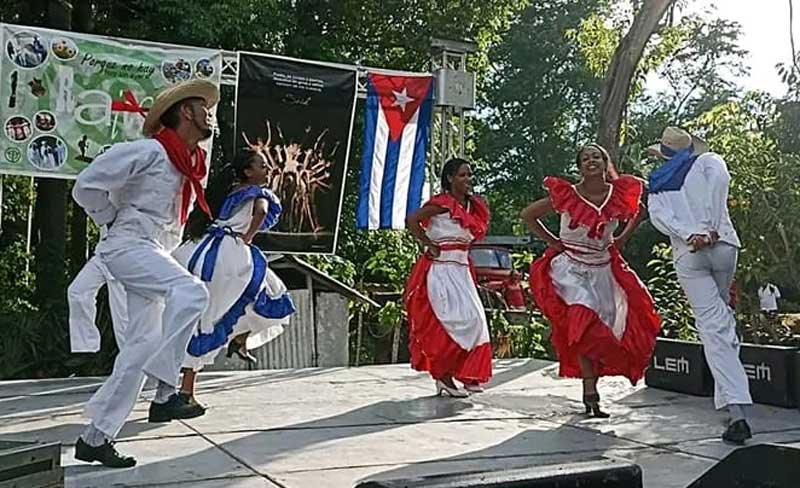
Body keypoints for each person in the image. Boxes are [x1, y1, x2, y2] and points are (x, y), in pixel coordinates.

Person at [71, 79, 219, 467]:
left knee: (137, 350)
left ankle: (95, 437)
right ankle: (166, 392)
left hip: (155, 252)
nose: (210, 114)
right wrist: (112, 220)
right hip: (129, 246)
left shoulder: (187, 163)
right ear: (186, 112)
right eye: (203, 107)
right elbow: (86, 186)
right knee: (193, 293)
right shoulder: (148, 151)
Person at [522, 143, 660, 417]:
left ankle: (593, 389)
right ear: (579, 166)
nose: (591, 161)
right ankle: (589, 392)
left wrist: (621, 238)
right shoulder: (567, 194)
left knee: (607, 327)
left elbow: (639, 213)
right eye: (585, 158)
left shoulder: (618, 194)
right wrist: (554, 243)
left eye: (596, 156)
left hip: (603, 268)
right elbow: (529, 215)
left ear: (605, 161)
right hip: (571, 268)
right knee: (584, 321)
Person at [647, 126, 753, 445]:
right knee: (722, 323)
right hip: (722, 245)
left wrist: (692, 232)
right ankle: (735, 409)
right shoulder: (709, 161)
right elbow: (721, 184)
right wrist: (708, 228)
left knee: (714, 326)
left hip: (690, 253)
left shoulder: (658, 183)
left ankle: (737, 412)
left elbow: (659, 218)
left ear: (663, 153)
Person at [168, 147, 296, 408]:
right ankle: (237, 341)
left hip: (199, 252)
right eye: (262, 165)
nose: (267, 168)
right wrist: (246, 239)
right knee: (268, 296)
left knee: (204, 319)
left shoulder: (226, 192)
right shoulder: (257, 193)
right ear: (248, 172)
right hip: (227, 257)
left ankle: (187, 387)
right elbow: (260, 212)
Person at [404, 158, 492, 398]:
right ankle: (443, 377)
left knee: (475, 322)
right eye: (462, 175)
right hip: (441, 270)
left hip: (462, 271)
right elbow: (412, 220)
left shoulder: (473, 207)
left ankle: (468, 374)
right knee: (449, 322)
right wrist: (428, 243)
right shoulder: (442, 204)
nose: (468, 179)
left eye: (470, 175)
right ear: (450, 178)